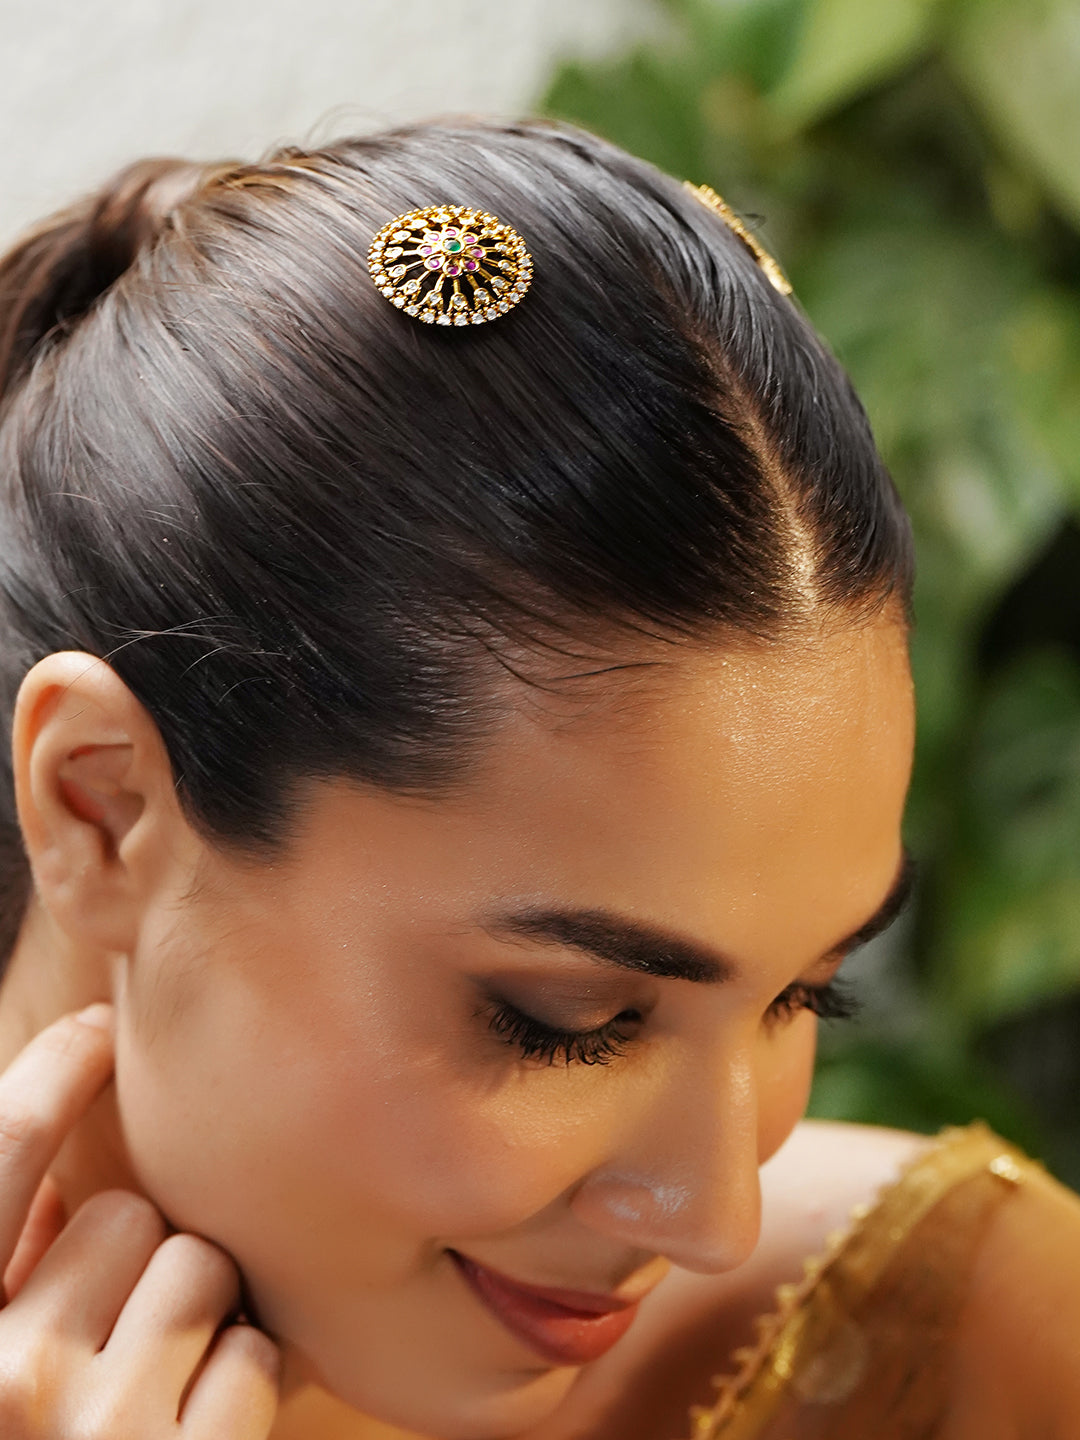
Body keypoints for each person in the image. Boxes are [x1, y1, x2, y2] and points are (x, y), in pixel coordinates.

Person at [0, 117, 1075, 1440]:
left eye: (804, 994)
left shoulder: (939, 1343)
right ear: (102, 807)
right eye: (569, 1021)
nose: (714, 1221)